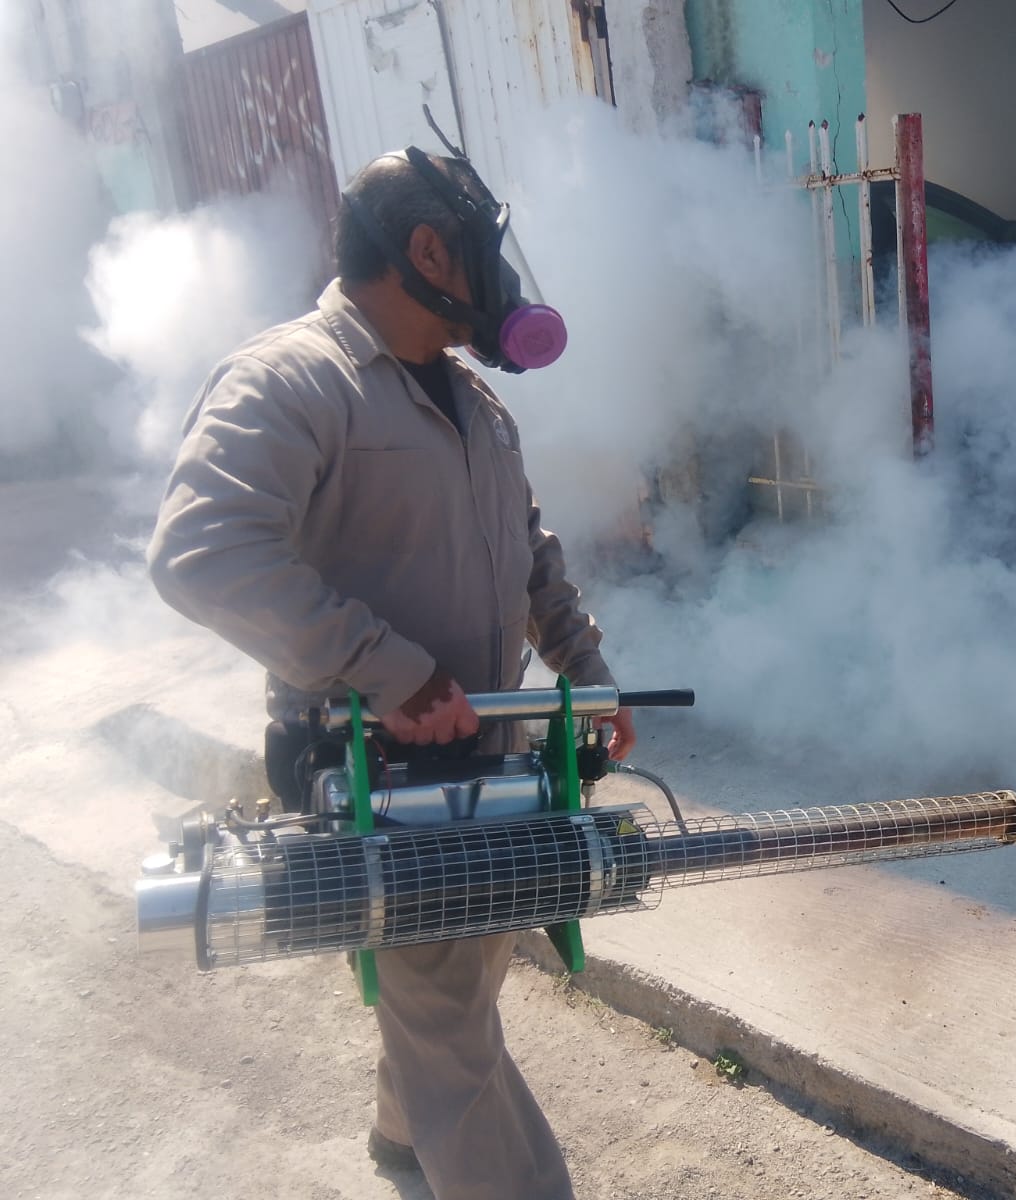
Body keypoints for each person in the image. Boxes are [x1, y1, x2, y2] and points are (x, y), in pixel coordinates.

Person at [147, 147, 634, 1199]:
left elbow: (529, 551)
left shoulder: (474, 404)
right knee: (450, 1014)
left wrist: (585, 670)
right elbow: (204, 551)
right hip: (375, 774)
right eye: (487, 257)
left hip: (489, 754)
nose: (505, 286)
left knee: (459, 975)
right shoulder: (291, 380)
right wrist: (390, 674)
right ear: (427, 251)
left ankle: (401, 1138)